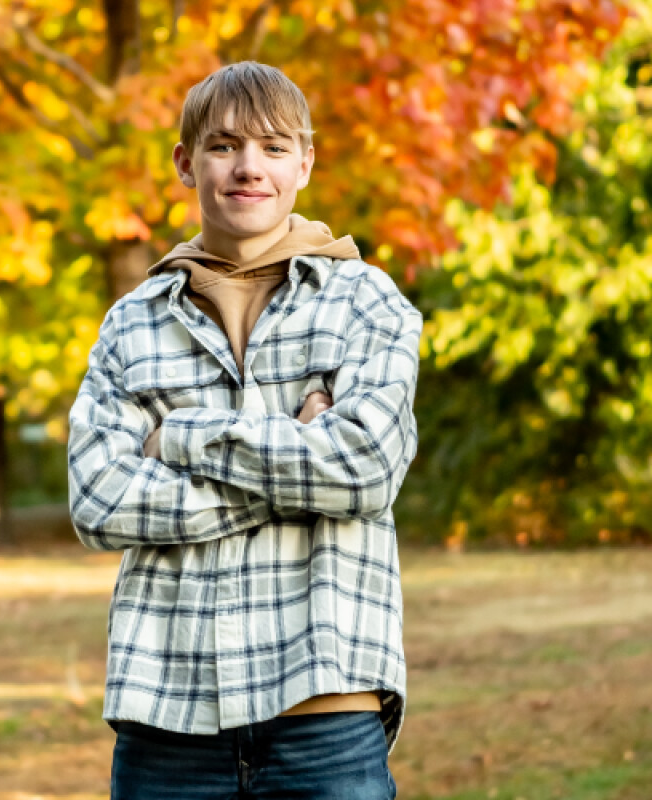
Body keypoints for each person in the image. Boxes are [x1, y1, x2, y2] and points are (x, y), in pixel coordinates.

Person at [68, 60, 422, 800]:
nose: (249, 167)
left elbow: (363, 471)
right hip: (167, 719)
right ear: (185, 162)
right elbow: (98, 500)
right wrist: (298, 463)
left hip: (325, 708)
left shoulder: (365, 301)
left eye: (273, 146)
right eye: (224, 145)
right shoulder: (133, 323)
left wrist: (181, 439)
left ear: (305, 164)